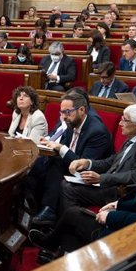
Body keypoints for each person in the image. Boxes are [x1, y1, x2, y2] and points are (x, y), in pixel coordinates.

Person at [30, 121, 136, 258]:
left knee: (72, 217)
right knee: (73, 215)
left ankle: (54, 249)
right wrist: (117, 205)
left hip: (127, 238)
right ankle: (60, 255)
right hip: (125, 216)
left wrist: (111, 217)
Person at [25, 92, 112, 226]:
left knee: (55, 164)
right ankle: (30, 207)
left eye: (67, 112)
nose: (64, 117)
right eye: (62, 112)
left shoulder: (97, 131)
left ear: (82, 110)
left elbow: (83, 163)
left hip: (91, 175)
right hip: (70, 166)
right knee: (36, 165)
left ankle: (49, 211)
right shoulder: (72, 123)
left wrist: (60, 148)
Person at [60, 103, 136, 216]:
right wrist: (87, 163)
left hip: (120, 192)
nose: (120, 124)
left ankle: (77, 224)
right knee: (66, 182)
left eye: (125, 120)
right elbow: (111, 161)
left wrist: (101, 178)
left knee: (68, 188)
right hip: (110, 185)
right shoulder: (131, 139)